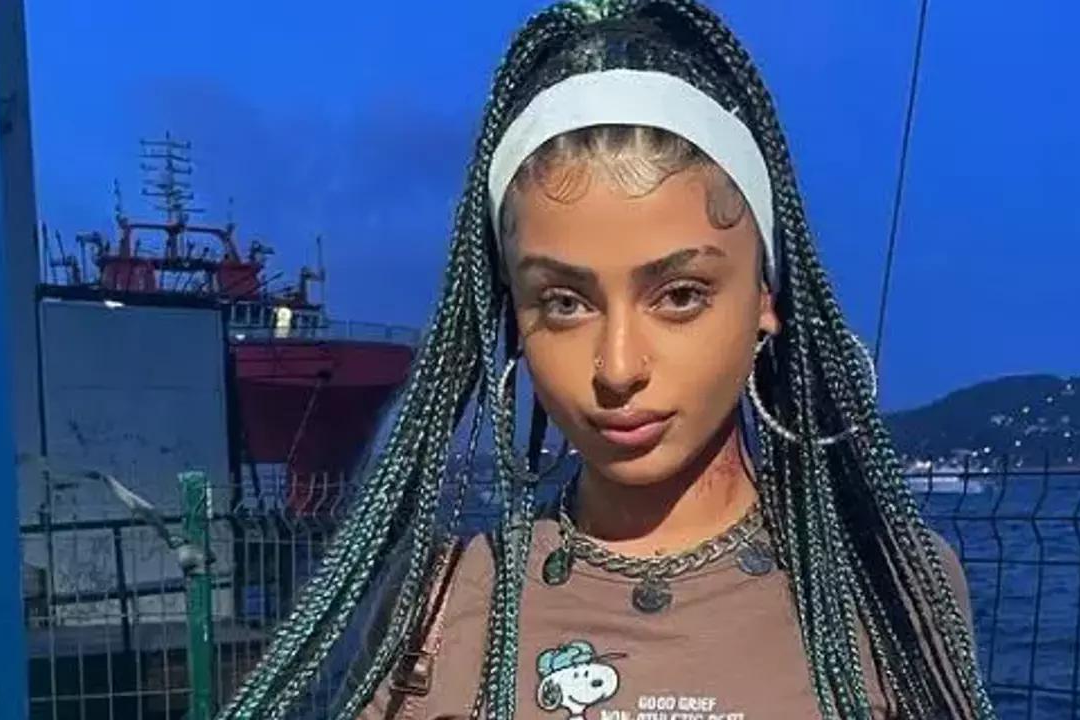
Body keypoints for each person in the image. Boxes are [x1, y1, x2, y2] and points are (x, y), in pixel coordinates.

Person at [220, 1, 996, 718]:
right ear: (514, 318)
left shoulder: (891, 588)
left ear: (765, 299)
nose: (618, 367)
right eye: (564, 303)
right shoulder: (444, 611)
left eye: (680, 295)